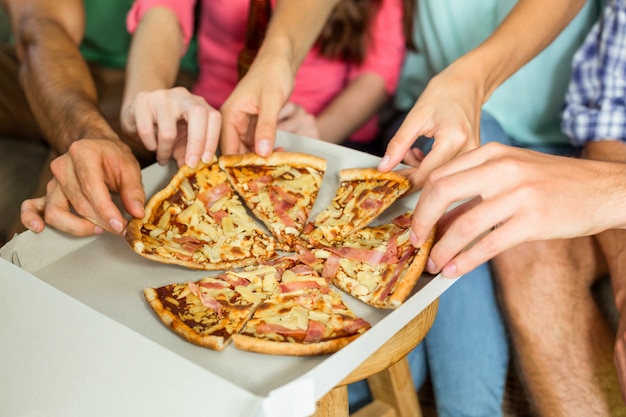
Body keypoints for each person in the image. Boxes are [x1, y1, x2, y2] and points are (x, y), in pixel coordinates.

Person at [0, 0, 197, 245]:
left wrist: (91, 137)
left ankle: (18, 272)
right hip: (51, 54)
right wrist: (91, 132)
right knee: (85, 147)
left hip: (153, 74)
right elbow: (42, 26)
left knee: (83, 163)